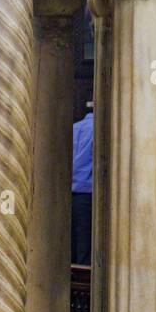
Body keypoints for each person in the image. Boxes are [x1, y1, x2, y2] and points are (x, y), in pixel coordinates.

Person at [71, 101, 94, 265]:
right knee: (86, 243)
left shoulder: (74, 128)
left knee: (74, 239)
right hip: (89, 192)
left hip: (72, 193)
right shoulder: (101, 130)